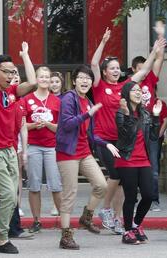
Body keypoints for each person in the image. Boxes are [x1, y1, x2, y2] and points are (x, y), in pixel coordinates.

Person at [91, 27, 166, 233]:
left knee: (124, 182)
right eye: (111, 68)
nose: (115, 70)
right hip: (104, 139)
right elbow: (94, 64)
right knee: (115, 174)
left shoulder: (125, 86)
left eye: (118, 68)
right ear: (105, 71)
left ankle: (117, 218)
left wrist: (154, 52)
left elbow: (143, 71)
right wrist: (104, 42)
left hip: (124, 140)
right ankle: (105, 209)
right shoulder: (98, 87)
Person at [0, 42, 36, 254]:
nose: (11, 75)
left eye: (13, 71)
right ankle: (1, 238)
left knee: (13, 198)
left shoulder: (12, 91)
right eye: (7, 71)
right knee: (8, 195)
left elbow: (32, 82)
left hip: (10, 150)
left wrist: (25, 55)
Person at [55, 65, 119, 250]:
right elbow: (66, 125)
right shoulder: (69, 98)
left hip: (84, 151)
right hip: (67, 153)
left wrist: (105, 143)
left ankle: (86, 217)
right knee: (70, 194)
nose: (85, 81)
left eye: (88, 78)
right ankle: (65, 236)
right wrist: (87, 115)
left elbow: (90, 134)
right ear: (74, 81)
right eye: (81, 78)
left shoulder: (89, 102)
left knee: (101, 185)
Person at [115, 82, 161, 245]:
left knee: (149, 195)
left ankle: (135, 224)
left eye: (140, 90)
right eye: (134, 90)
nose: (138, 92)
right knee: (131, 197)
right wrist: (127, 115)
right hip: (127, 160)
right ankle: (127, 231)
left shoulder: (145, 114)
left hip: (144, 161)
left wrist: (156, 116)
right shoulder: (121, 113)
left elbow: (154, 137)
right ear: (127, 94)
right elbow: (125, 136)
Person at [22, 66, 62, 234]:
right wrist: (34, 125)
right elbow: (22, 125)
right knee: (34, 185)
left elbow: (61, 128)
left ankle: (63, 220)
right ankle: (37, 220)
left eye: (47, 77)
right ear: (36, 79)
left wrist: (47, 124)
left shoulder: (56, 101)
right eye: (42, 77)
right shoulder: (27, 99)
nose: (45, 79)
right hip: (34, 146)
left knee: (56, 184)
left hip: (52, 146)